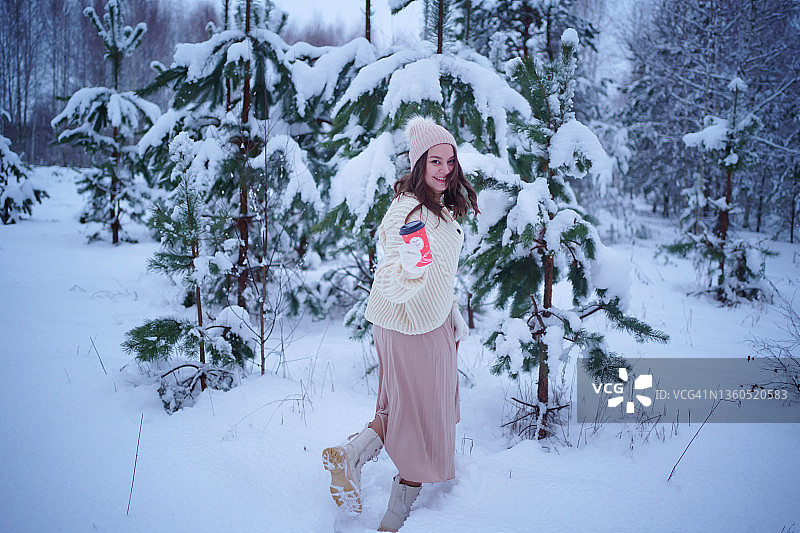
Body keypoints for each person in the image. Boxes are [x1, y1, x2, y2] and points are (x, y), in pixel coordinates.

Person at [322, 117, 480, 531]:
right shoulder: (406, 212)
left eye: (450, 161)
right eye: (435, 161)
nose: (444, 169)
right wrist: (409, 271)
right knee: (423, 420)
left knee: (399, 409)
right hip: (414, 328)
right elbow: (391, 274)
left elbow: (438, 271)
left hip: (422, 321)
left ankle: (352, 455)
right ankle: (392, 521)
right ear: (418, 164)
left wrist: (450, 307)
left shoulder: (434, 208)